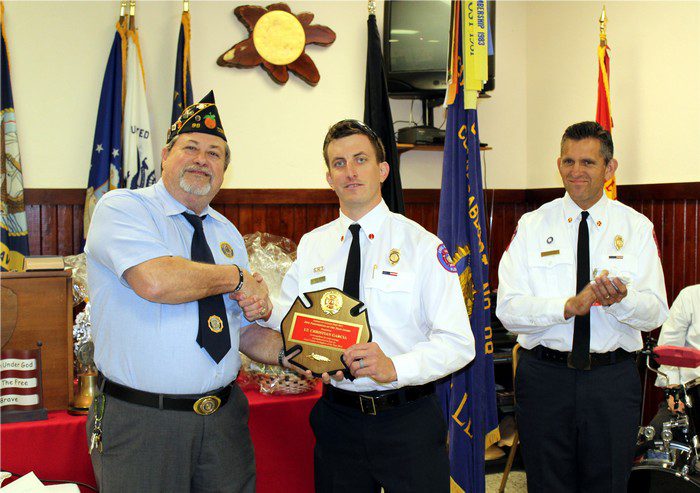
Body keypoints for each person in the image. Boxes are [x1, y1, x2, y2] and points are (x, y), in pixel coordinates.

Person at [253, 119, 475, 492]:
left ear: (382, 170)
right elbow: (295, 318)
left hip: (407, 420)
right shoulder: (313, 245)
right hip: (338, 418)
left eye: (360, 160)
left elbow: (459, 343)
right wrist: (264, 307)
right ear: (329, 178)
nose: (350, 172)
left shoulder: (422, 246)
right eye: (339, 163)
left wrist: (394, 367)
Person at [85, 91, 284, 492]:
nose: (201, 159)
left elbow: (240, 331)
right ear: (164, 155)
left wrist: (305, 353)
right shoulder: (123, 208)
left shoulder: (227, 233)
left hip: (224, 421)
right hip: (143, 423)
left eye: (214, 154)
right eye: (190, 147)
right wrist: (235, 277)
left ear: (224, 170)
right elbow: (156, 281)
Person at [496, 121, 669, 492]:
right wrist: (566, 307)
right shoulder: (532, 225)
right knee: (546, 483)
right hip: (544, 378)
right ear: (558, 164)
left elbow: (656, 312)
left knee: (608, 483)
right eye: (568, 161)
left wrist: (621, 301)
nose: (576, 171)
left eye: (588, 162)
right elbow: (508, 309)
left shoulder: (635, 227)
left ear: (609, 168)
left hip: (611, 381)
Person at [650, 284, 700, 430]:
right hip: (690, 394)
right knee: (658, 432)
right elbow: (668, 350)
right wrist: (674, 392)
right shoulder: (690, 296)